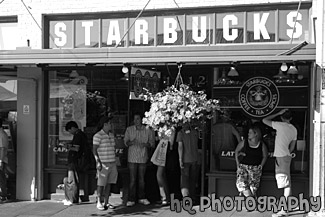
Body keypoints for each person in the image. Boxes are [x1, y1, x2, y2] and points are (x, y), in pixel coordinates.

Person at [262, 109, 297, 217]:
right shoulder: (294, 129)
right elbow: (292, 146)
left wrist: (277, 113)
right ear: (291, 118)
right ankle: (288, 206)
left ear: (282, 117)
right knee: (288, 181)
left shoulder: (280, 125)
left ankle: (284, 210)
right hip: (286, 155)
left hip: (281, 156)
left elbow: (264, 120)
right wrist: (288, 152)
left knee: (285, 184)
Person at [124, 112, 155, 207]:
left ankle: (142, 197)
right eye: (134, 119)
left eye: (137, 119)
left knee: (142, 179)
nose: (135, 121)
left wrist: (145, 144)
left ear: (142, 119)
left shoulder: (148, 130)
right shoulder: (129, 129)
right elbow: (125, 142)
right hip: (132, 157)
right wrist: (131, 142)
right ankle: (131, 199)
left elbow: (152, 143)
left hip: (142, 157)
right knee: (132, 179)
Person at [235, 125, 268, 198]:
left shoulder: (261, 144)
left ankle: (252, 201)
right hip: (243, 166)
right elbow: (237, 151)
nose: (248, 134)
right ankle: (251, 201)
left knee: (253, 187)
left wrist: (261, 165)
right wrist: (238, 164)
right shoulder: (245, 142)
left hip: (255, 168)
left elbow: (265, 156)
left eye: (250, 133)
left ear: (256, 134)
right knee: (242, 184)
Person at [93, 116, 118, 210]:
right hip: (103, 162)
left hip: (112, 162)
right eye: (110, 123)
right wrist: (97, 161)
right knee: (101, 183)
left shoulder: (111, 135)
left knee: (109, 183)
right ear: (105, 124)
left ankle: (106, 202)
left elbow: (114, 148)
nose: (111, 125)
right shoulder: (98, 135)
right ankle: (99, 201)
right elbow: (94, 150)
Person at [62, 121, 88, 206]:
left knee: (71, 180)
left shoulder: (78, 135)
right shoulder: (81, 135)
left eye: (70, 130)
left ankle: (71, 199)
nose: (70, 133)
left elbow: (76, 148)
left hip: (74, 160)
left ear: (73, 128)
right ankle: (72, 198)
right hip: (77, 160)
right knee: (72, 179)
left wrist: (68, 146)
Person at [177, 123, 199, 202]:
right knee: (193, 179)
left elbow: (180, 147)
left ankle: (186, 198)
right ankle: (193, 197)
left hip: (185, 159)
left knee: (184, 180)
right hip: (194, 158)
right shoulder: (194, 132)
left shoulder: (181, 133)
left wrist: (180, 159)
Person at [0, 118, 9, 202]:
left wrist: (1, 160)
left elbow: (3, 148)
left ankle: (3, 195)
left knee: (1, 178)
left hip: (1, 159)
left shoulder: (2, 135)